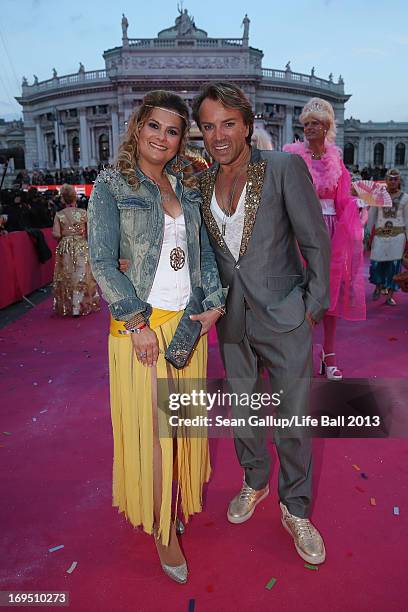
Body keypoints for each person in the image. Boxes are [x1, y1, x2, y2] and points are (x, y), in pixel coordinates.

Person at [87, 90, 225, 584]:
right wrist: (135, 323)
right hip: (140, 330)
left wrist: (212, 304)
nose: (162, 138)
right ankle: (162, 527)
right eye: (154, 126)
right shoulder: (110, 185)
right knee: (152, 431)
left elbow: (203, 251)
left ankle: (174, 498)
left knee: (182, 427)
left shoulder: (184, 188)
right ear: (137, 126)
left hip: (189, 325)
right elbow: (103, 261)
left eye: (172, 131)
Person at [192, 82, 330, 565]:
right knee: (244, 415)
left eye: (228, 123)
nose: (219, 135)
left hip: (287, 316)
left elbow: (315, 240)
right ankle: (254, 482)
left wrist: (313, 305)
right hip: (231, 320)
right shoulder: (203, 183)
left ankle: (296, 509)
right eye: (208, 126)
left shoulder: (283, 168)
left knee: (292, 419)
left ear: (247, 125)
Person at [284, 98, 366, 380]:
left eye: (314, 124)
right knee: (299, 296)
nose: (308, 129)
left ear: (327, 125)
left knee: (329, 296)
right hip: (299, 232)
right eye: (305, 124)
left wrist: (357, 209)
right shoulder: (292, 157)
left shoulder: (337, 161)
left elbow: (344, 200)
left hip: (331, 233)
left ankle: (329, 355)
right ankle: (301, 354)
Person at [52, 183, 99, 316]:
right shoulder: (83, 213)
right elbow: (91, 232)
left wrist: (65, 234)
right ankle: (78, 306)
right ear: (75, 198)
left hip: (65, 246)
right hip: (81, 245)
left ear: (62, 199)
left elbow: (56, 234)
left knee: (67, 275)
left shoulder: (59, 215)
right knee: (82, 274)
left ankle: (71, 306)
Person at [368, 168, 408, 305]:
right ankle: (378, 287)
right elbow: (372, 216)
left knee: (394, 266)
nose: (392, 181)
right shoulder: (378, 196)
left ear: (399, 181)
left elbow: (407, 220)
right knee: (377, 264)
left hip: (398, 237)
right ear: (386, 180)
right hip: (380, 235)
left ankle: (390, 295)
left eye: (395, 179)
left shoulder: (405, 198)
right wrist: (367, 233)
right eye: (390, 179)